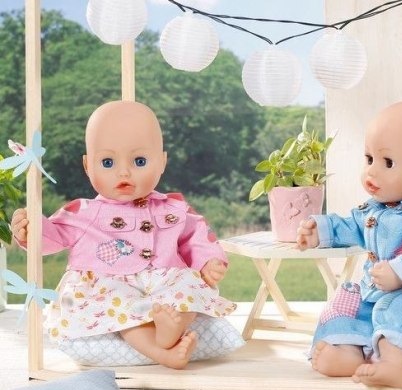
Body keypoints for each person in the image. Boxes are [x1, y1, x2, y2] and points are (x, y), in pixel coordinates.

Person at [11, 100, 236, 369]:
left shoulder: (174, 208)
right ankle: (162, 351)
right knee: (122, 309)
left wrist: (208, 261)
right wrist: (31, 229)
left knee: (191, 288)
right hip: (109, 283)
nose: (124, 172)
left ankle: (171, 329)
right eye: (107, 162)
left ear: (162, 162)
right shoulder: (85, 211)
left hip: (167, 279)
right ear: (88, 165)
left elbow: (197, 236)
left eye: (139, 161)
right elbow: (55, 235)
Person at [296, 100, 402, 388]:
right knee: (348, 306)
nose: (372, 172)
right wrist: (321, 231)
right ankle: (348, 351)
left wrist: (400, 272)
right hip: (377, 289)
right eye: (369, 159)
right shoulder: (377, 208)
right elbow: (353, 225)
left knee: (395, 311)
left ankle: (396, 365)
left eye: (388, 162)